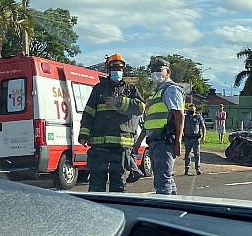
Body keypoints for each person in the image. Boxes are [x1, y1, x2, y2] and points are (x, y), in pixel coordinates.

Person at [78, 53, 144, 192]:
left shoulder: (130, 90)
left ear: (123, 71)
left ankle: (118, 209)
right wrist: (83, 134)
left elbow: (140, 108)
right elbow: (88, 112)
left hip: (120, 145)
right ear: (108, 71)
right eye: (114, 69)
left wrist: (119, 102)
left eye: (119, 69)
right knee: (96, 181)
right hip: (99, 144)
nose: (117, 72)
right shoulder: (99, 88)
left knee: (118, 181)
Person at [133, 56, 185, 195]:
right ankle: (172, 208)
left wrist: (178, 141)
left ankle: (166, 211)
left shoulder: (171, 90)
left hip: (165, 140)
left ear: (168, 71)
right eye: (153, 70)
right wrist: (138, 142)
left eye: (158, 70)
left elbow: (179, 115)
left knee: (162, 181)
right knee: (166, 179)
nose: (155, 73)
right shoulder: (157, 92)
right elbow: (149, 120)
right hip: (155, 141)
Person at [183, 104, 206, 176]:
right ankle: (187, 169)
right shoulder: (185, 117)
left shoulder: (198, 117)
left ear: (195, 110)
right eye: (190, 110)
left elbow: (203, 126)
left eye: (192, 111)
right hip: (188, 138)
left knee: (197, 154)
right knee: (187, 154)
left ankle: (197, 169)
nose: (191, 112)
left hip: (196, 138)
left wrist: (203, 136)